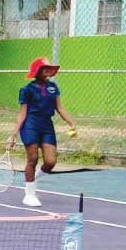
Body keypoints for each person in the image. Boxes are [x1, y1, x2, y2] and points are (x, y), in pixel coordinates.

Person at [11, 57, 77, 207]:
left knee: (50, 161)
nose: (48, 70)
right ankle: (29, 194)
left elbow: (59, 108)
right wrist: (14, 133)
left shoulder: (53, 87)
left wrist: (71, 122)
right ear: (37, 71)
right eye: (44, 68)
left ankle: (33, 179)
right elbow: (22, 113)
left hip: (47, 125)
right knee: (32, 159)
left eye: (49, 67)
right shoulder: (26, 90)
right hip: (30, 124)